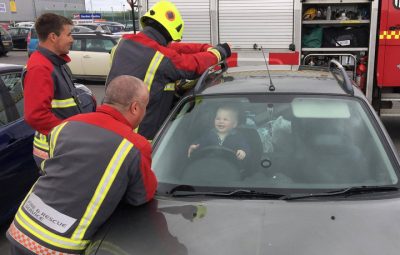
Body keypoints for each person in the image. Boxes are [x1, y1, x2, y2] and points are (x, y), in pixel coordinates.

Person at [6, 75, 158, 255]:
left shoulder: (66, 125)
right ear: (135, 107)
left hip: (21, 227)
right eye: (145, 107)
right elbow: (140, 196)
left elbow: (59, 167)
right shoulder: (135, 145)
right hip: (57, 247)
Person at [107, 0, 232, 140]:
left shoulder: (122, 44)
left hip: (110, 128)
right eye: (171, 40)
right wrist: (219, 52)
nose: (171, 43)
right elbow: (193, 65)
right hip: (139, 137)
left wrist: (205, 48)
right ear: (168, 34)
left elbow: (171, 50)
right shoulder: (162, 59)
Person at [23, 13, 95, 170]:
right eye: (68, 34)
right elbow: (36, 116)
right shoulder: (40, 68)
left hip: (62, 146)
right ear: (53, 37)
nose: (72, 39)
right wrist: (71, 133)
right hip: (55, 150)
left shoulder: (55, 63)